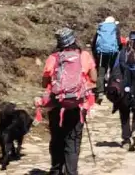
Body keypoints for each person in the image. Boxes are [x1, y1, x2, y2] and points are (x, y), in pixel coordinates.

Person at [38, 28, 95, 175]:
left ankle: (56, 170)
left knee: (57, 139)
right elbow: (94, 78)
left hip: (56, 105)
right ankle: (71, 172)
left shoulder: (54, 58)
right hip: (77, 106)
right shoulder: (84, 56)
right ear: (73, 40)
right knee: (73, 142)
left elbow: (44, 83)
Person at [90, 16, 122, 104]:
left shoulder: (101, 28)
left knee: (101, 72)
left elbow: (95, 42)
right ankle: (111, 89)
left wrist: (95, 53)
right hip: (113, 52)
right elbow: (119, 42)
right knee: (113, 70)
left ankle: (100, 92)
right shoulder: (115, 28)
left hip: (101, 52)